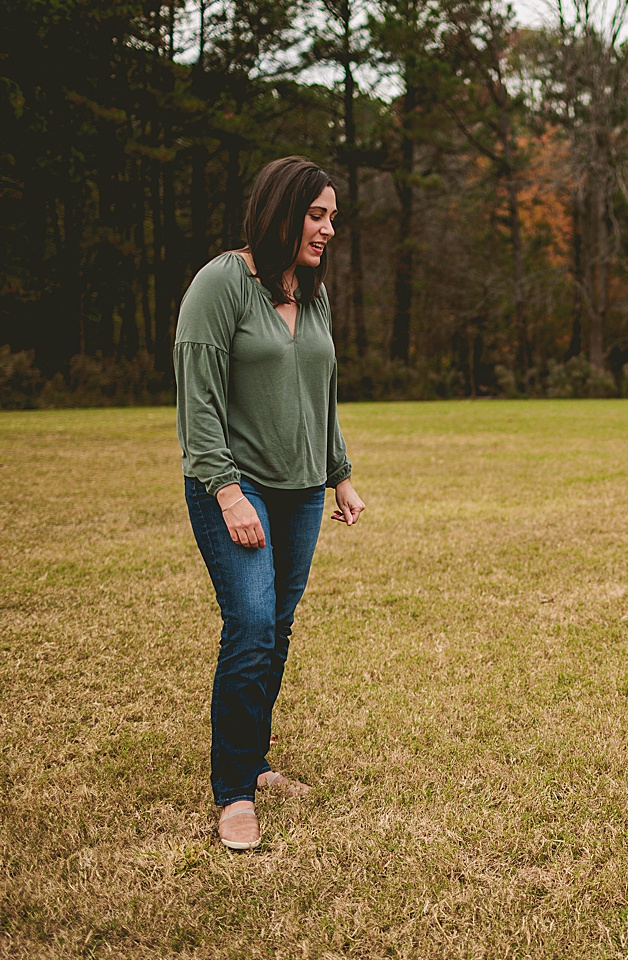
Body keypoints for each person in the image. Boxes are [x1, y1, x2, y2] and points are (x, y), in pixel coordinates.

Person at [174, 156, 366, 851]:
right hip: (233, 486)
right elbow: (197, 402)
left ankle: (254, 762)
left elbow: (323, 390)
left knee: (278, 626)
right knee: (251, 621)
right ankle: (232, 792)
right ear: (283, 210)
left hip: (300, 492)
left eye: (333, 217)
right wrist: (228, 492)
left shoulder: (311, 292)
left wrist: (338, 474)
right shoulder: (222, 284)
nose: (328, 229)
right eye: (317, 214)